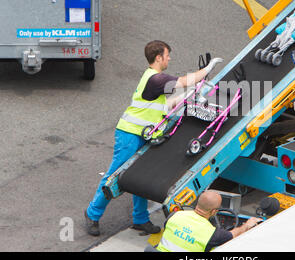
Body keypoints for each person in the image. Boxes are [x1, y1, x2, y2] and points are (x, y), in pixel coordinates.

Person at [84, 40, 224, 236]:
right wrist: (207, 69)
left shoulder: (154, 82)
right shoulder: (154, 78)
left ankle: (140, 219)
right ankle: (92, 214)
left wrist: (191, 92)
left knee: (139, 176)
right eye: (167, 55)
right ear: (158, 57)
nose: (169, 58)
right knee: (114, 176)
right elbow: (183, 81)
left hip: (142, 134)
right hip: (130, 134)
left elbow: (168, 103)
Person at [155, 190, 263, 252]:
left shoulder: (174, 215)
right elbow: (232, 235)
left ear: (198, 203)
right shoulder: (212, 234)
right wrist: (247, 225)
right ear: (213, 212)